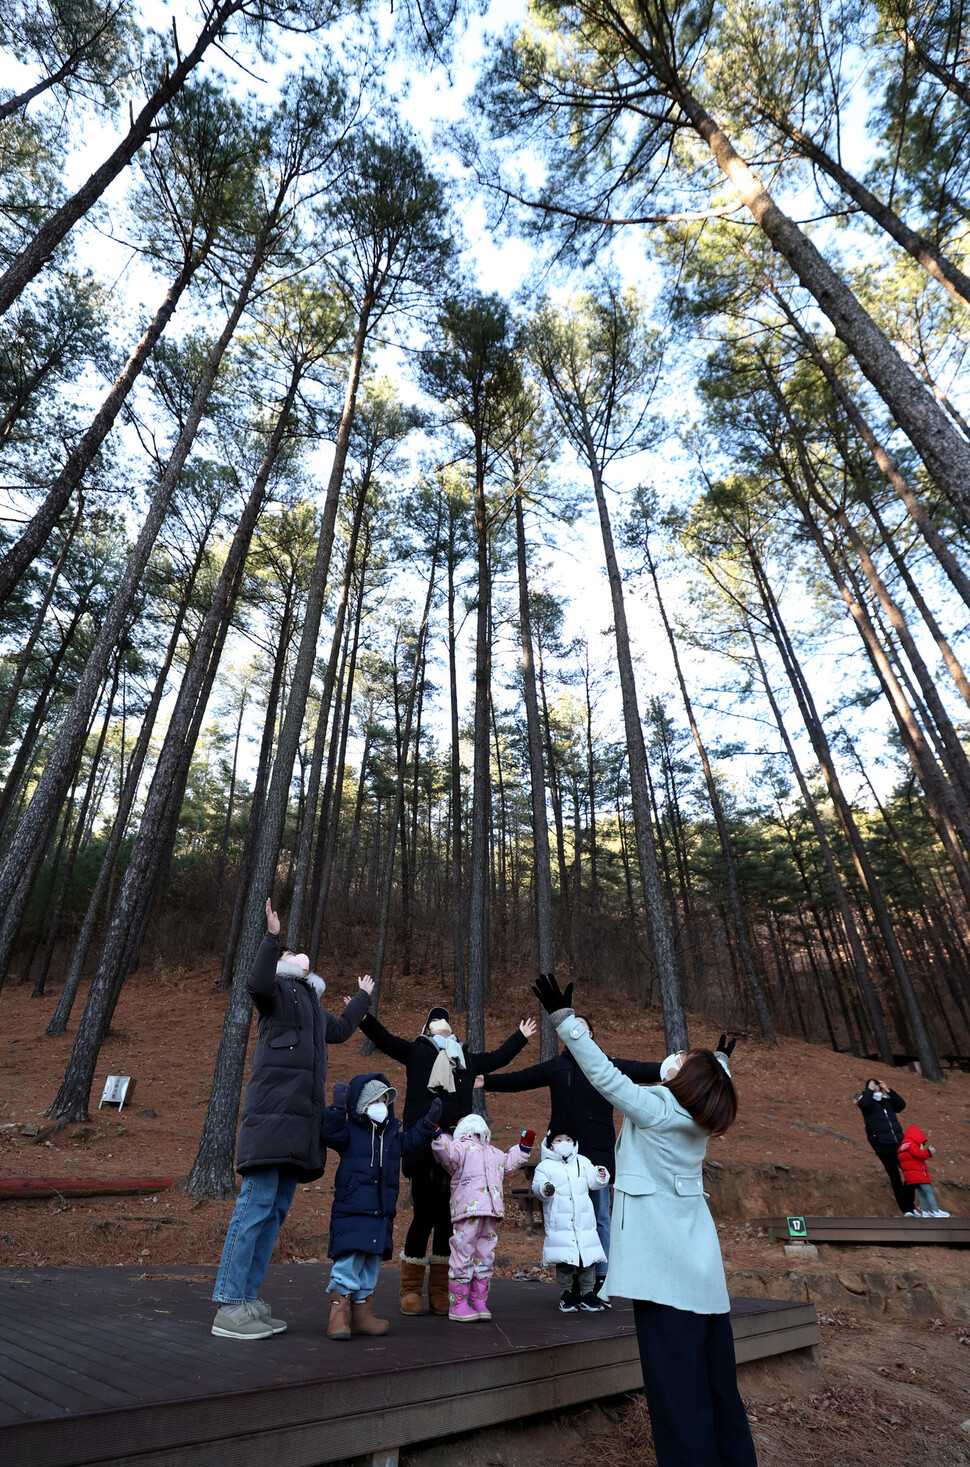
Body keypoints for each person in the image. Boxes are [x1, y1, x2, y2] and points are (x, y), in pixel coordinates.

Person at [533, 974, 757, 1467]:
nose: (673, 1060)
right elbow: (709, 1089)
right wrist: (721, 1064)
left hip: (666, 1283)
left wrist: (566, 1022)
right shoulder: (698, 1121)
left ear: (687, 1081)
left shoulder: (658, 1108)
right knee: (720, 1390)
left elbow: (605, 1075)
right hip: (705, 1282)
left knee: (677, 1402)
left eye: (684, 1063)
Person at [211, 899, 374, 1340]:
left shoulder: (312, 1006)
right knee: (254, 1206)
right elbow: (256, 981)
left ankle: (248, 1298)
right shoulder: (278, 994)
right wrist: (272, 937)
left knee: (276, 1210)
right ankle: (229, 1303)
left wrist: (362, 998)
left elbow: (339, 1030)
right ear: (286, 966)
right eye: (290, 955)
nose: (297, 956)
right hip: (270, 1122)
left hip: (298, 1130)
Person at [358, 1002, 537, 1316]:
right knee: (423, 1217)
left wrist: (520, 1036)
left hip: (460, 1156)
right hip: (424, 1147)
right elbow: (386, 1040)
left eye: (446, 1020)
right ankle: (411, 1289)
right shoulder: (417, 1052)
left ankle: (441, 1290)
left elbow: (496, 1058)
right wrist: (362, 1015)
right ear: (426, 1029)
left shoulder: (465, 1058)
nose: (442, 1022)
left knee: (449, 1223)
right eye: (435, 1020)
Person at [484, 1014, 660, 1302]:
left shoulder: (607, 1065)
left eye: (584, 1028)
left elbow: (641, 1070)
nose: (578, 1032)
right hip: (562, 1157)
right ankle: (572, 1282)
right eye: (573, 1028)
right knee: (564, 1220)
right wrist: (485, 1080)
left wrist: (669, 1068)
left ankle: (602, 1278)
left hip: (599, 1154)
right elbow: (520, 1079)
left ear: (591, 1035)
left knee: (600, 1218)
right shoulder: (557, 1066)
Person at [322, 1074, 443, 1340]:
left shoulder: (391, 1135)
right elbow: (331, 1134)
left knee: (371, 1262)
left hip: (381, 1212)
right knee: (349, 1261)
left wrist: (428, 1123)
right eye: (376, 1100)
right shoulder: (350, 1132)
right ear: (362, 1105)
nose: (381, 1105)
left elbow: (411, 1142)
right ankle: (338, 1313)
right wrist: (336, 1109)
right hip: (353, 1209)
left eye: (385, 1100)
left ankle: (363, 1314)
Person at [432, 1115, 535, 1321]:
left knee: (485, 1255)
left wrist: (523, 1148)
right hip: (468, 1211)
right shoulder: (460, 1147)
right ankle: (458, 1304)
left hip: (490, 1211)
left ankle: (479, 1301)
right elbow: (446, 1154)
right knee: (463, 1252)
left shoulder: (493, 1152)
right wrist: (437, 1136)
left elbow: (508, 1162)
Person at [532, 1128, 610, 1312]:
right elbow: (537, 1186)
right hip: (561, 1224)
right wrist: (545, 1188)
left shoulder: (582, 1162)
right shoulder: (545, 1166)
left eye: (568, 1139)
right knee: (565, 1261)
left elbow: (593, 1180)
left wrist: (601, 1174)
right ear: (551, 1144)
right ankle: (566, 1293)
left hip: (583, 1222)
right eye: (559, 1140)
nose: (564, 1143)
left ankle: (588, 1293)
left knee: (587, 1260)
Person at [855, 1077, 915, 1215]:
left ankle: (909, 1203)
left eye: (877, 1084)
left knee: (911, 1173)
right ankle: (907, 1209)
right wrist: (869, 1089)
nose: (876, 1086)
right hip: (883, 1145)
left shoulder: (887, 1102)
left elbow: (901, 1105)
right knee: (895, 1178)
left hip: (899, 1144)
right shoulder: (867, 1102)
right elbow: (864, 1104)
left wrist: (888, 1090)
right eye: (873, 1084)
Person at [897, 1123, 949, 1218]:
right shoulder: (911, 1145)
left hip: (910, 1177)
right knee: (928, 1192)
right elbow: (919, 1154)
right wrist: (929, 1151)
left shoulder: (901, 1147)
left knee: (922, 1193)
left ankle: (925, 1212)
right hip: (919, 1175)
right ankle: (935, 1211)